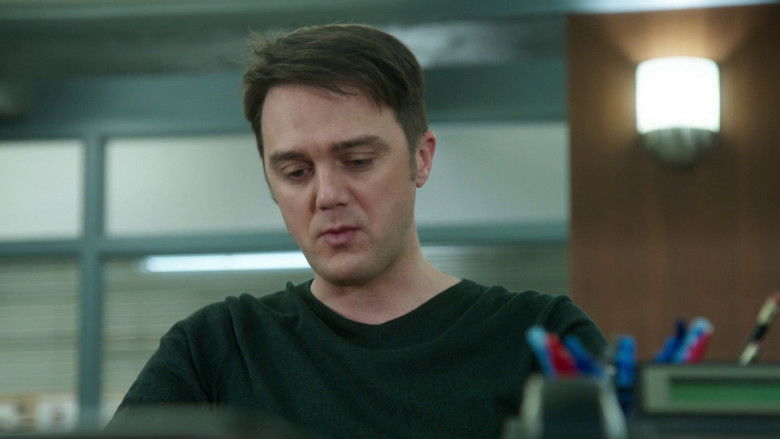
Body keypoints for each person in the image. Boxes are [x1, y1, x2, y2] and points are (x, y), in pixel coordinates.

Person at [109, 24, 606, 438]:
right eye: (296, 172)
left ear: (421, 158)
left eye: (358, 161)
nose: (327, 195)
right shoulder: (216, 349)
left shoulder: (542, 340)